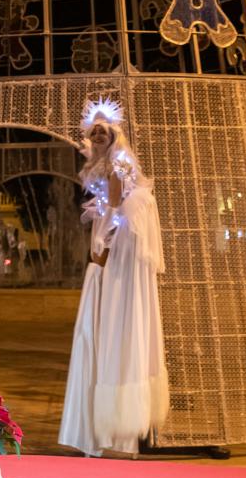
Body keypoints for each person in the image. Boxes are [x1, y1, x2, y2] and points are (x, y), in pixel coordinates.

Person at [58, 94, 168, 458]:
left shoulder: (118, 164)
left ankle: (115, 431)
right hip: (113, 251)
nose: (98, 136)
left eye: (104, 131)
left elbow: (119, 208)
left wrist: (104, 246)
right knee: (105, 327)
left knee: (111, 324)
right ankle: (106, 430)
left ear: (115, 133)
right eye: (95, 132)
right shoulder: (108, 162)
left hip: (118, 255)